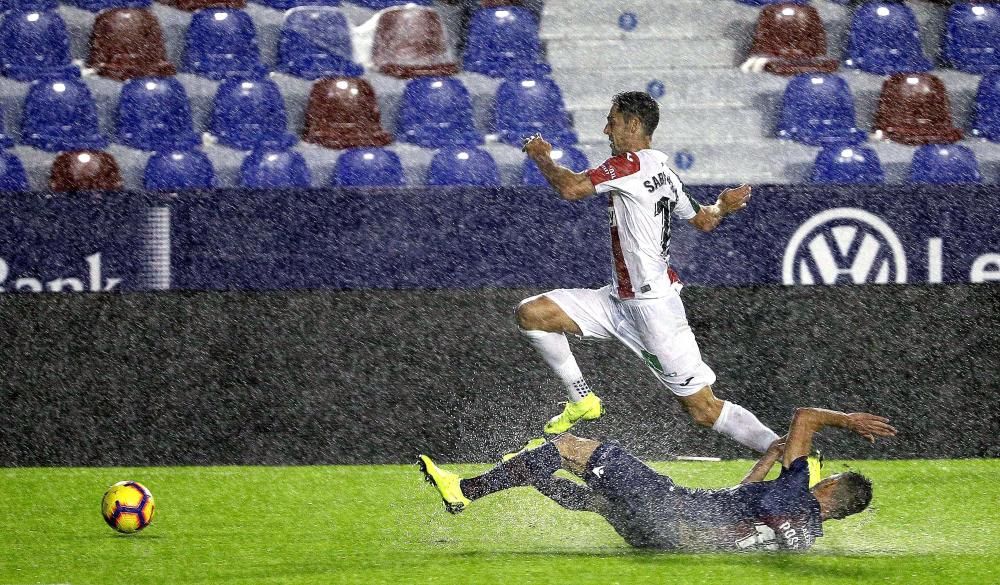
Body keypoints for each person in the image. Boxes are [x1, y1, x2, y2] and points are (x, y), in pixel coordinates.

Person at [518, 90, 776, 454]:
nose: (606, 129)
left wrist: (542, 156)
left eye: (612, 121)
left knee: (704, 410)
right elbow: (703, 220)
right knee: (533, 313)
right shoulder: (665, 174)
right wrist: (721, 206)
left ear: (634, 125)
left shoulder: (629, 164)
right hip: (617, 300)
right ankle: (581, 400)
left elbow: (571, 188)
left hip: (655, 311)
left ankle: (785, 451)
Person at [417, 407, 897, 552]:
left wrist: (849, 421)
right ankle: (525, 469)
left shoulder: (798, 489)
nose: (819, 481)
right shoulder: (806, 536)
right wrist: (767, 461)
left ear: (830, 490)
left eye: (826, 479)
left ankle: (466, 490)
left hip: (670, 509)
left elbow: (806, 416)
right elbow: (743, 505)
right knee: (595, 499)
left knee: (574, 449)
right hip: (669, 541)